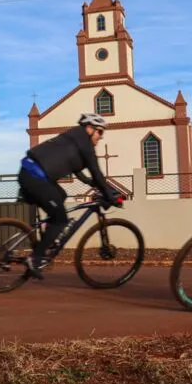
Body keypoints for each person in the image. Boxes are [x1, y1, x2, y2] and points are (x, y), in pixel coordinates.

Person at [18, 113, 122, 279]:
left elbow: (76, 167)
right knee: (61, 220)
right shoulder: (84, 143)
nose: (101, 137)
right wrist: (109, 195)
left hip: (30, 173)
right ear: (90, 129)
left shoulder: (74, 137)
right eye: (100, 132)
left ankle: (47, 236)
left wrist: (90, 183)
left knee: (61, 194)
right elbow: (96, 171)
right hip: (35, 177)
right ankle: (35, 258)